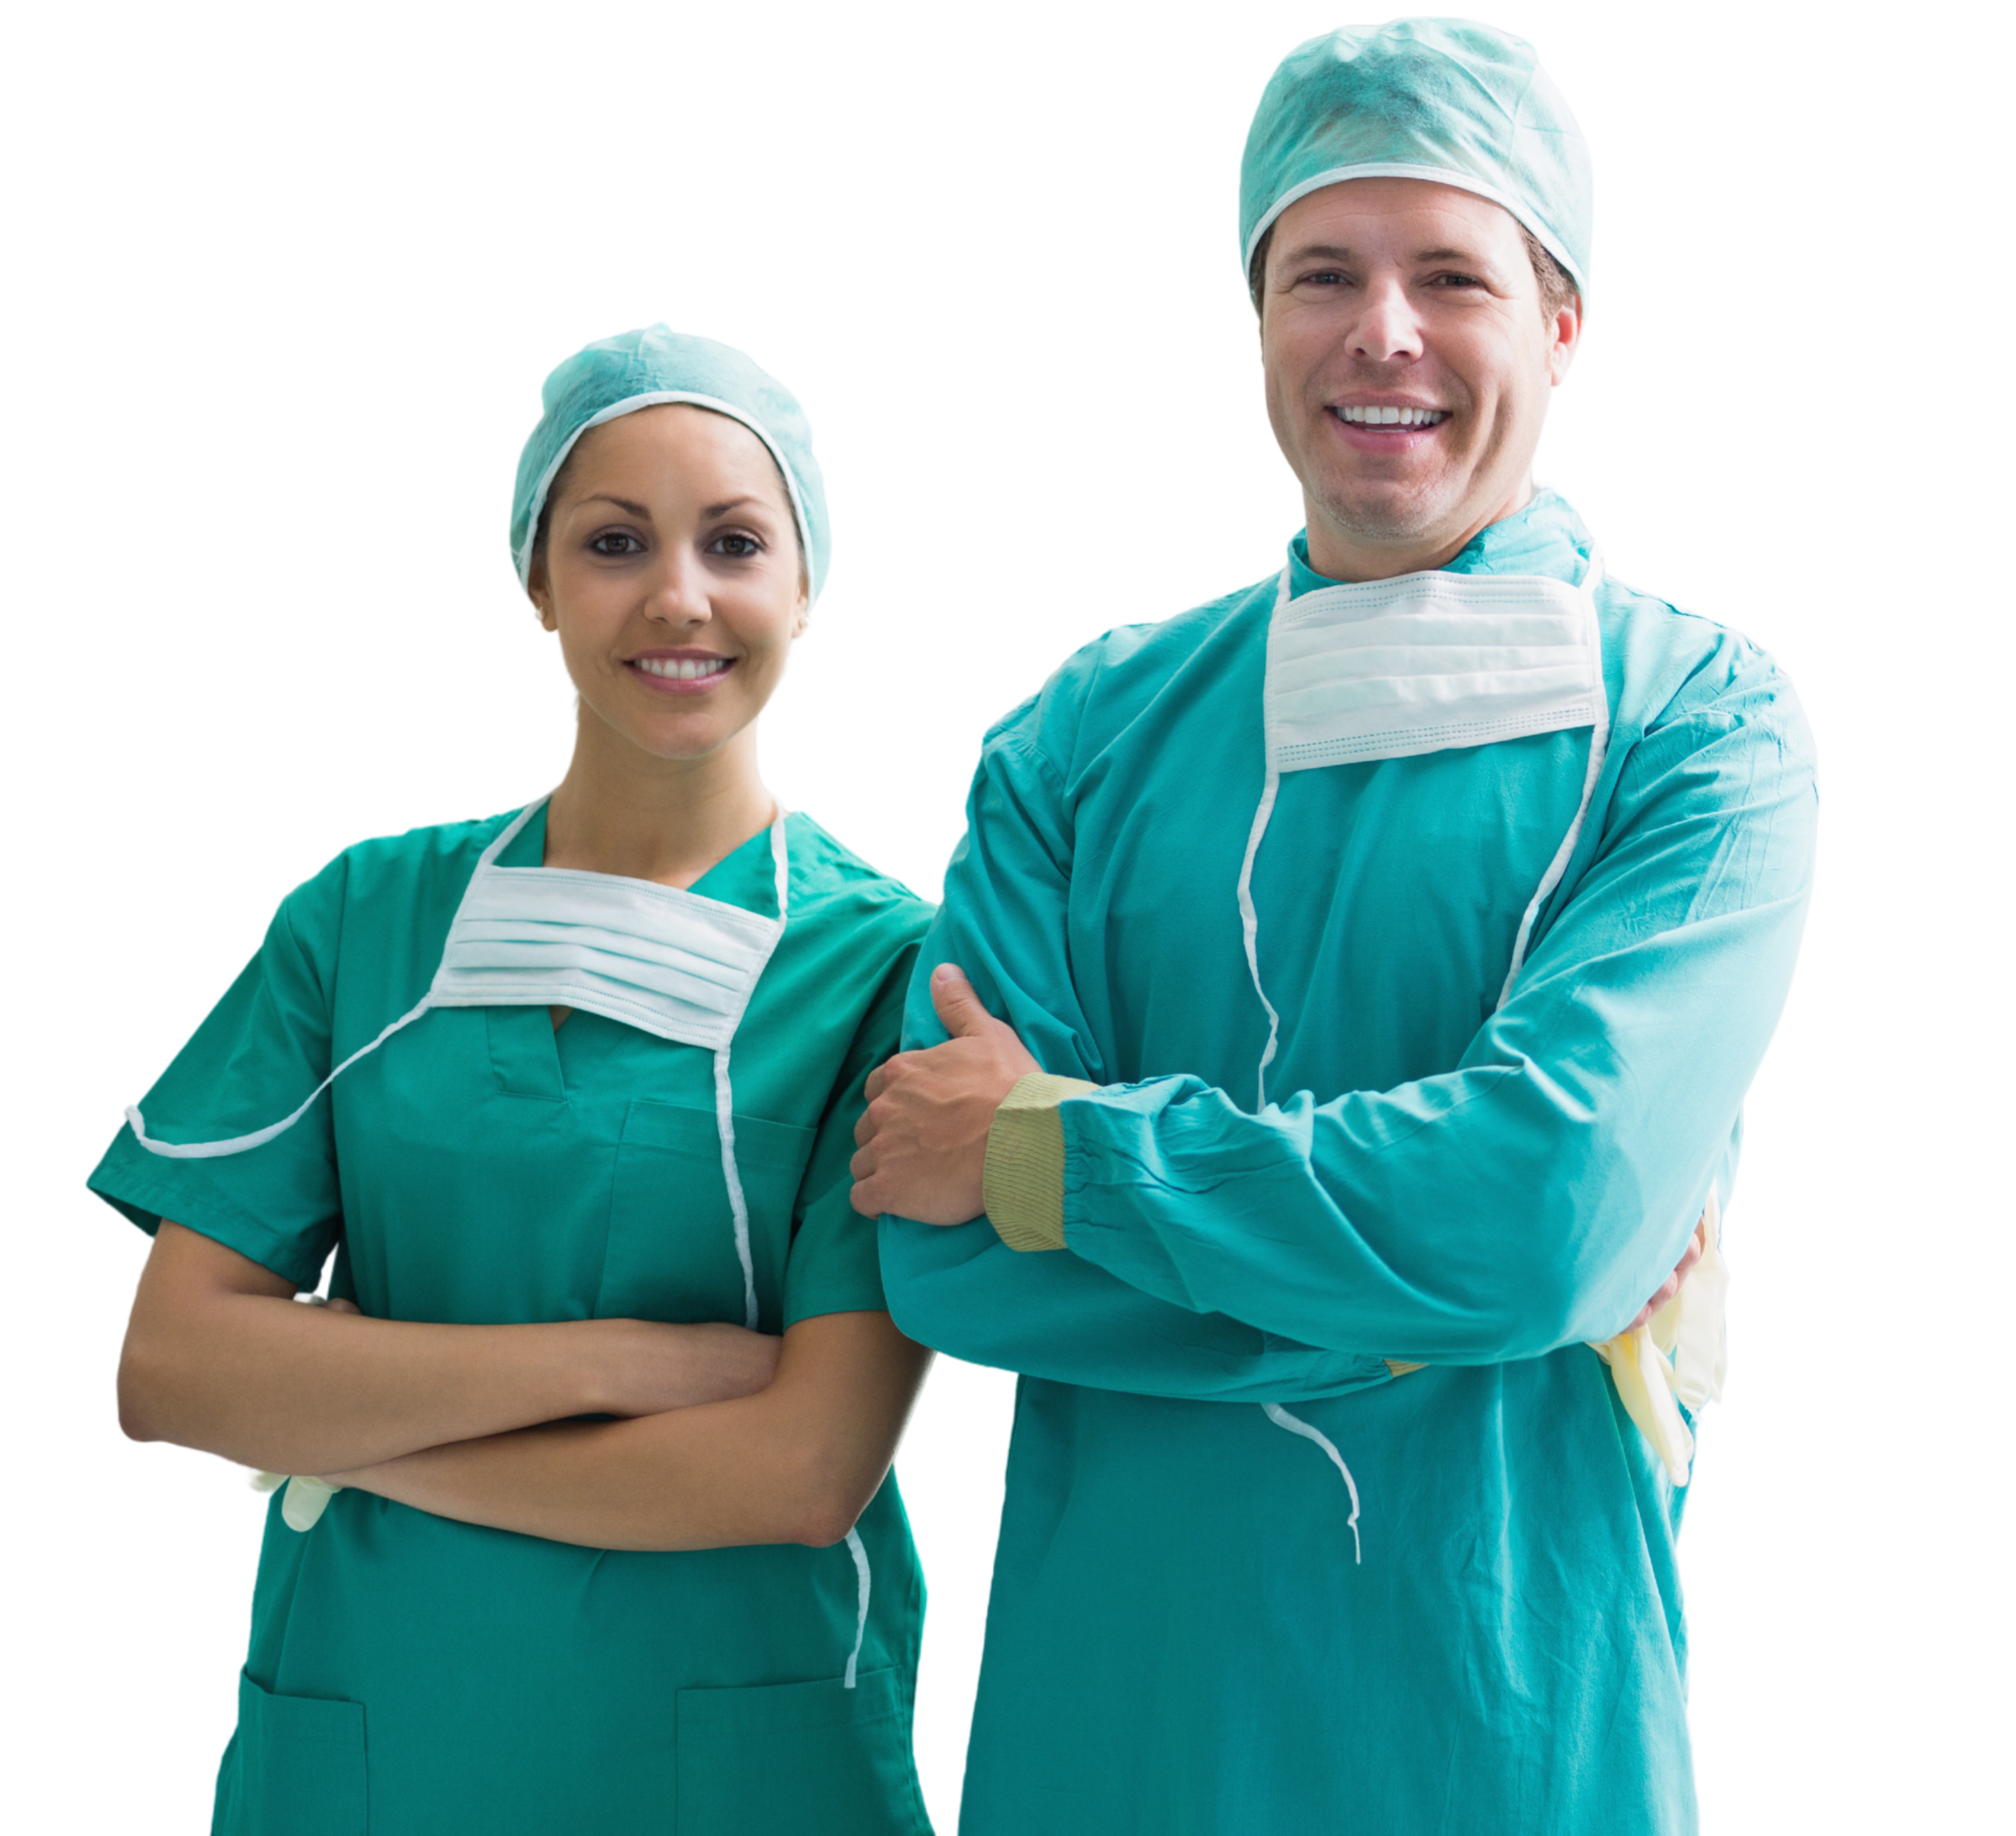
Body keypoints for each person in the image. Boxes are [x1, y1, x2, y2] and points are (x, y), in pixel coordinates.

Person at [850, 19, 1817, 1834]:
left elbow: (1543, 1215)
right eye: (1323, 274)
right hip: (1120, 1731)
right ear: (1257, 319)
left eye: (1449, 274)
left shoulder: (1699, 720)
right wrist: (1428, 1291)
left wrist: (1061, 1161)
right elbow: (948, 1261)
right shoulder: (1085, 731)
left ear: (1562, 325)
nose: (1382, 332)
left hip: (1513, 1720)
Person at [95, 323, 939, 1835]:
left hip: (736, 1761)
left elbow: (804, 1466)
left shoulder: (890, 969)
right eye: (615, 541)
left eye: (735, 542)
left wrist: (345, 1426)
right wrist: (616, 1362)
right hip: (369, 1750)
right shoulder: (359, 920)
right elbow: (170, 1376)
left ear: (807, 584)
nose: (678, 595)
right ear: (537, 582)